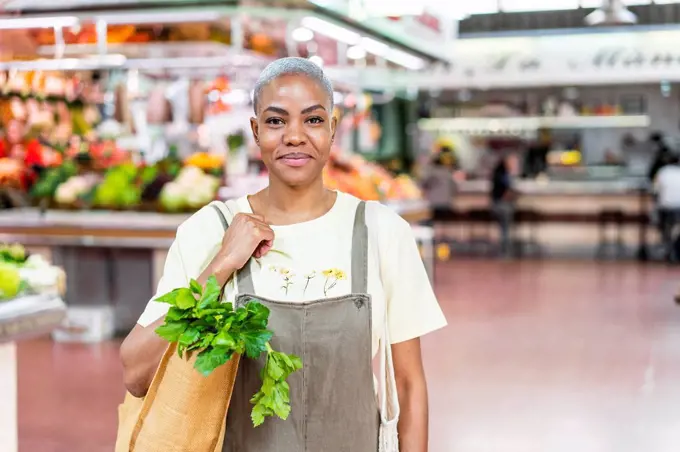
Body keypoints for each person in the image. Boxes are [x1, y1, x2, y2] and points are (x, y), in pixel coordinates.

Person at [120, 57, 447, 452]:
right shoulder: (209, 230)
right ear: (255, 130)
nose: (294, 136)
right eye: (276, 121)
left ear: (333, 127)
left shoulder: (382, 232)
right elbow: (136, 372)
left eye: (312, 120)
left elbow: (410, 385)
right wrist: (222, 265)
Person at [654, 154, 680, 261]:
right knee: (676, 229)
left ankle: (667, 250)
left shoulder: (662, 172)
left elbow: (655, 191)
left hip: (665, 208)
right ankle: (675, 250)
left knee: (665, 229)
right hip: (678, 208)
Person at [491, 154, 516, 257]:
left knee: (504, 228)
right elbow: (507, 193)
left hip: (496, 204)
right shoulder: (504, 175)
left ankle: (504, 249)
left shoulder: (497, 174)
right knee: (505, 229)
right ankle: (505, 250)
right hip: (502, 206)